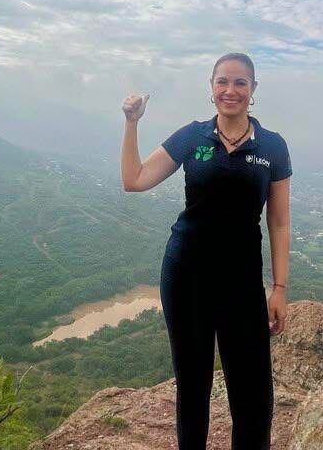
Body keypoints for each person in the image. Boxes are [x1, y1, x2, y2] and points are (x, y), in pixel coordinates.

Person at [120, 52, 292, 450]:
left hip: (242, 282)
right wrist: (131, 124)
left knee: (252, 393)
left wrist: (279, 287)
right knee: (193, 385)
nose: (230, 90)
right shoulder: (191, 137)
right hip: (186, 275)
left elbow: (279, 222)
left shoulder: (273, 146)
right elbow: (135, 179)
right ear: (211, 88)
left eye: (240, 83)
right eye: (222, 82)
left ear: (253, 90)